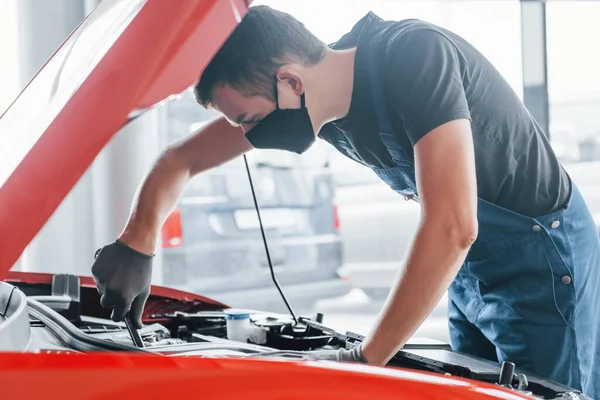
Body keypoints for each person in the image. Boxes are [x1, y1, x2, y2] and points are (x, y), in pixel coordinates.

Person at [91, 5, 600, 397]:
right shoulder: (319, 104)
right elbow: (178, 161)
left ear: (290, 81)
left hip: (541, 259)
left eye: (247, 119)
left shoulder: (415, 57)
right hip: (469, 271)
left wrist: (364, 358)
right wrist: (137, 244)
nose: (247, 134)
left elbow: (452, 225)